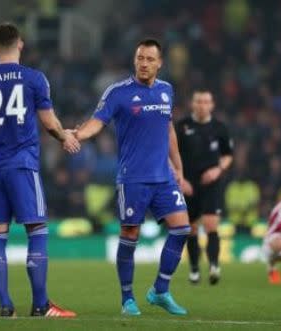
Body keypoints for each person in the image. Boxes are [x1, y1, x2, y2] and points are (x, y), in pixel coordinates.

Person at [0, 22, 78, 317]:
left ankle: (6, 306)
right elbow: (49, 122)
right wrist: (65, 137)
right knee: (36, 229)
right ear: (20, 44)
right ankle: (41, 305)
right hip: (22, 164)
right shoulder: (34, 79)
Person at [74, 39, 191, 316]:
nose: (144, 63)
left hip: (163, 176)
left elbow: (169, 130)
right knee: (130, 234)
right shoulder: (118, 92)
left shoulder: (166, 91)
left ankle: (160, 290)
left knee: (182, 228)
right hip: (133, 178)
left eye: (150, 59)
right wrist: (77, 134)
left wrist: (179, 168)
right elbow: (97, 122)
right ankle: (127, 299)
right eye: (140, 58)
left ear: (160, 63)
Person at [175, 90, 233, 285]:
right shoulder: (181, 126)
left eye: (206, 101)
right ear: (192, 104)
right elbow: (169, 154)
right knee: (190, 229)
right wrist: (180, 179)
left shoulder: (220, 128)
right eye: (198, 101)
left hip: (211, 184)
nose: (202, 105)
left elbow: (227, 155)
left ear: (212, 104)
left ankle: (214, 266)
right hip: (188, 184)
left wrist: (218, 170)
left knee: (211, 224)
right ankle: (193, 268)